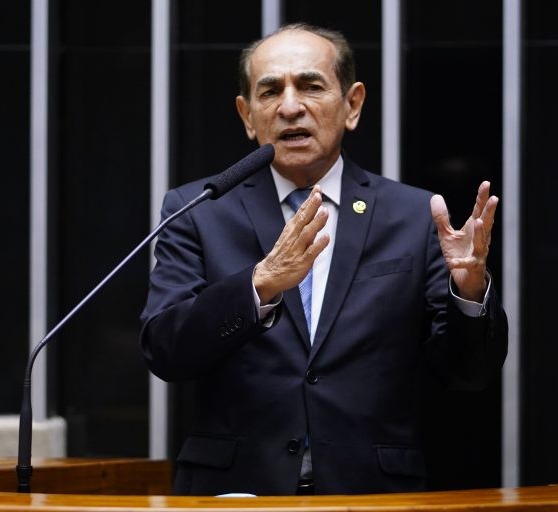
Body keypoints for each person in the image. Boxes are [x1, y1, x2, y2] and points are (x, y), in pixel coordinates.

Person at [140, 23, 508, 496]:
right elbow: (166, 350)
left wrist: (470, 293)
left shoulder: (413, 216)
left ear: (352, 105)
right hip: (237, 491)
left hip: (372, 493)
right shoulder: (198, 210)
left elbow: (468, 374)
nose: (290, 106)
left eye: (311, 86)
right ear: (247, 115)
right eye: (270, 91)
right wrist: (261, 286)